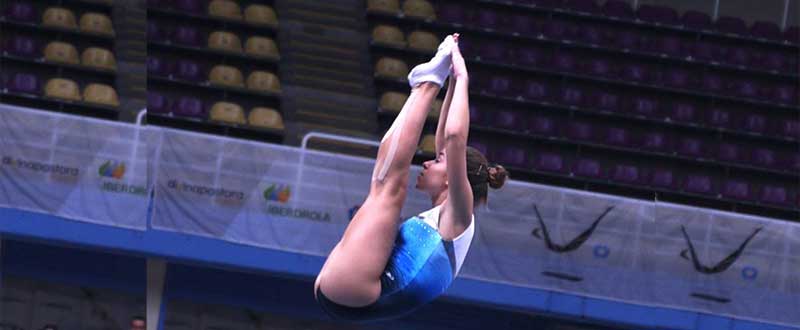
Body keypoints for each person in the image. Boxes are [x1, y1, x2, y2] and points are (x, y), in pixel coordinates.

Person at [314, 34, 508, 322]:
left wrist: (463, 78)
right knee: (385, 187)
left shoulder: (460, 216)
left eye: (438, 161)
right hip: (349, 291)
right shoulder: (447, 215)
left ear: (452, 179)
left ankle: (427, 83)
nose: (428, 161)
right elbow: (446, 141)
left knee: (389, 188)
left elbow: (454, 138)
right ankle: (428, 81)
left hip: (359, 292)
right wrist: (451, 77)